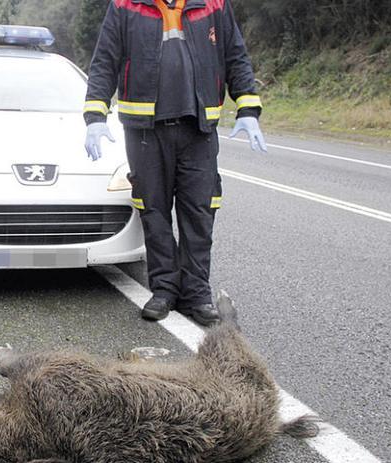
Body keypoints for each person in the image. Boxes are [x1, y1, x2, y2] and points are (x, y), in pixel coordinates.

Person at [83, 0, 267, 324]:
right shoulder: (125, 5)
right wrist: (95, 115)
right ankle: (164, 289)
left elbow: (235, 55)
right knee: (154, 212)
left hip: (198, 129)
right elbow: (105, 61)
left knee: (199, 213)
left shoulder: (213, 4)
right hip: (144, 131)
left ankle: (197, 295)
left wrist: (248, 108)